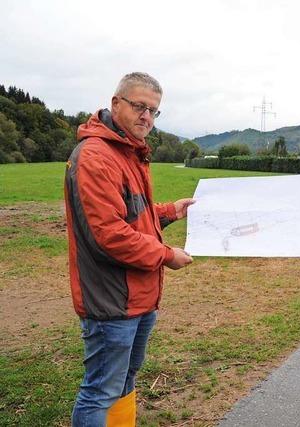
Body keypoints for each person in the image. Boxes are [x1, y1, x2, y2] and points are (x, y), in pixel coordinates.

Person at [64, 72, 194, 426]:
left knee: (123, 382)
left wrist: (169, 212)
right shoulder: (96, 156)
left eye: (154, 111)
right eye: (139, 106)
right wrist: (167, 255)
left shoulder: (128, 153)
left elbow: (132, 215)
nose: (147, 117)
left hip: (138, 297)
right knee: (100, 391)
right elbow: (110, 234)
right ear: (116, 103)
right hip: (112, 301)